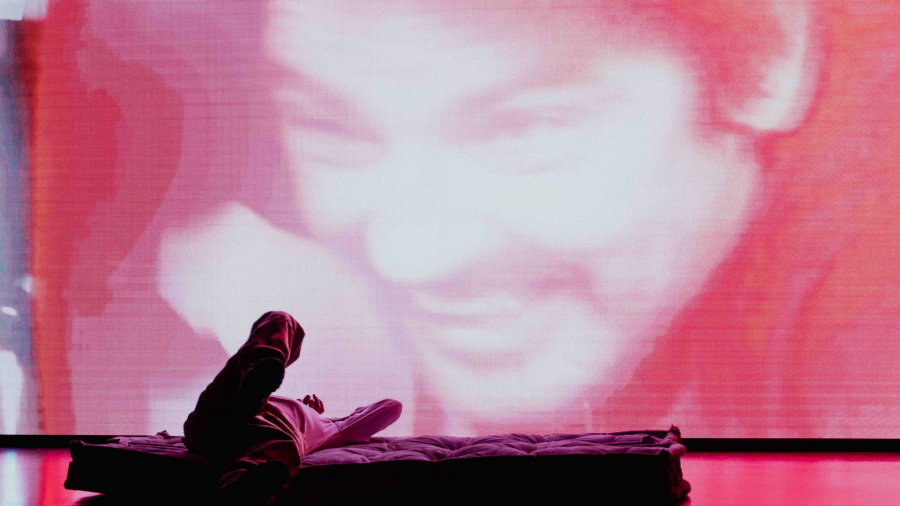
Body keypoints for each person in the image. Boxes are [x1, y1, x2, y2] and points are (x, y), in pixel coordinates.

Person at [183, 311, 402, 505]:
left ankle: (237, 491)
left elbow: (392, 407)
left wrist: (348, 414)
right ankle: (259, 355)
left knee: (279, 444)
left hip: (220, 435)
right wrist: (305, 408)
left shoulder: (337, 430)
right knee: (282, 319)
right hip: (233, 411)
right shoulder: (278, 397)